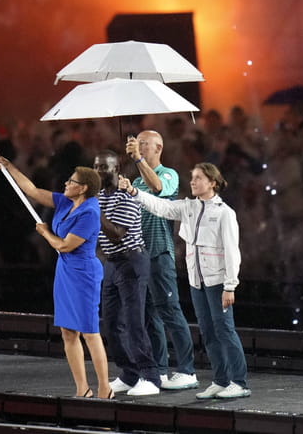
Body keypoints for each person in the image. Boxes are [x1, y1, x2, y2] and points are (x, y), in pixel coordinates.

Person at [120, 162, 251, 399]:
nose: (192, 182)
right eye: (192, 177)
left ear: (212, 182)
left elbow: (233, 251)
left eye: (198, 178)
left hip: (218, 282)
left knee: (225, 331)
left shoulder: (224, 213)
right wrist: (135, 192)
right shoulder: (188, 207)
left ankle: (239, 382)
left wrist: (230, 285)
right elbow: (161, 207)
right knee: (208, 332)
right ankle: (220, 380)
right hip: (197, 282)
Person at [0, 156, 111, 399]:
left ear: (84, 188)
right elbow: (32, 191)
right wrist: (9, 167)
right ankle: (82, 389)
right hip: (65, 272)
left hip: (84, 273)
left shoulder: (89, 212)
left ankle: (104, 388)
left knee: (89, 332)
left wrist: (46, 233)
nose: (66, 183)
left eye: (71, 181)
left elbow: (65, 246)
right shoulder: (66, 202)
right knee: (68, 331)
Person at [123, 131, 198, 391]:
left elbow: (157, 188)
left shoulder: (169, 174)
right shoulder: (135, 179)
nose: (140, 146)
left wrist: (136, 160)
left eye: (145, 143)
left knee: (170, 311)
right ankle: (160, 370)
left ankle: (188, 370)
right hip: (139, 254)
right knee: (148, 316)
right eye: (138, 143)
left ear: (159, 147)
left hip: (159, 252)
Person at [94, 150, 161, 397]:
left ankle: (150, 376)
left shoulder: (126, 195)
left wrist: (93, 209)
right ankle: (130, 373)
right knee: (111, 324)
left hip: (132, 261)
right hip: (112, 264)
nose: (99, 171)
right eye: (96, 166)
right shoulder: (100, 195)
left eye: (103, 167)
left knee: (134, 322)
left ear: (117, 168)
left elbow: (117, 233)